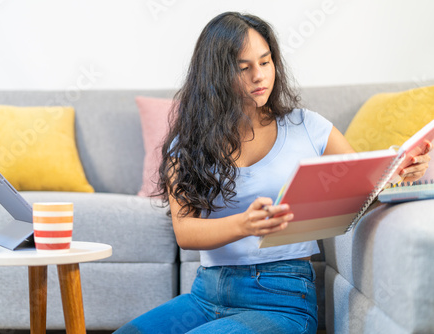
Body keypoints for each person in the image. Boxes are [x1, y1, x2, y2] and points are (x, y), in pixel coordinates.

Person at [115, 11, 432, 334]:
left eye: (265, 62)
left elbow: (364, 183)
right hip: (207, 295)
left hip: (282, 299)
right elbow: (185, 232)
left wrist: (401, 172)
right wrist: (245, 224)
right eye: (244, 67)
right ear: (216, 75)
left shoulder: (307, 127)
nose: (259, 76)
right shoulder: (187, 143)